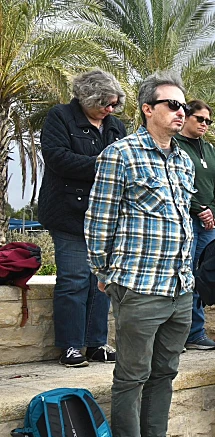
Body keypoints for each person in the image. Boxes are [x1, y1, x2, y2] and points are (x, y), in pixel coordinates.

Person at [86, 71, 197, 437]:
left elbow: (182, 220)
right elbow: (99, 219)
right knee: (131, 375)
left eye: (183, 106)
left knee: (165, 371)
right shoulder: (121, 154)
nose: (180, 112)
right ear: (148, 109)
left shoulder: (184, 160)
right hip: (139, 285)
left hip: (179, 288)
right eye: (171, 104)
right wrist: (105, 273)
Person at [39, 69, 126, 368]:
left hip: (105, 215)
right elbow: (56, 157)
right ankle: (71, 346)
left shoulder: (115, 126)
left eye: (114, 104)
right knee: (74, 280)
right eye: (105, 104)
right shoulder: (60, 117)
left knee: (101, 281)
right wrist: (103, 165)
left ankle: (96, 343)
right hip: (67, 213)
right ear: (88, 97)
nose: (110, 110)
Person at [175, 99, 215, 351]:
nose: (205, 124)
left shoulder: (211, 150)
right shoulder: (174, 145)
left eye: (209, 121)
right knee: (182, 274)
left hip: (209, 224)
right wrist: (199, 209)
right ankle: (177, 334)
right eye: (200, 119)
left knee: (203, 276)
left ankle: (196, 332)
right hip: (185, 220)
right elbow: (177, 182)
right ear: (185, 117)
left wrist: (214, 210)